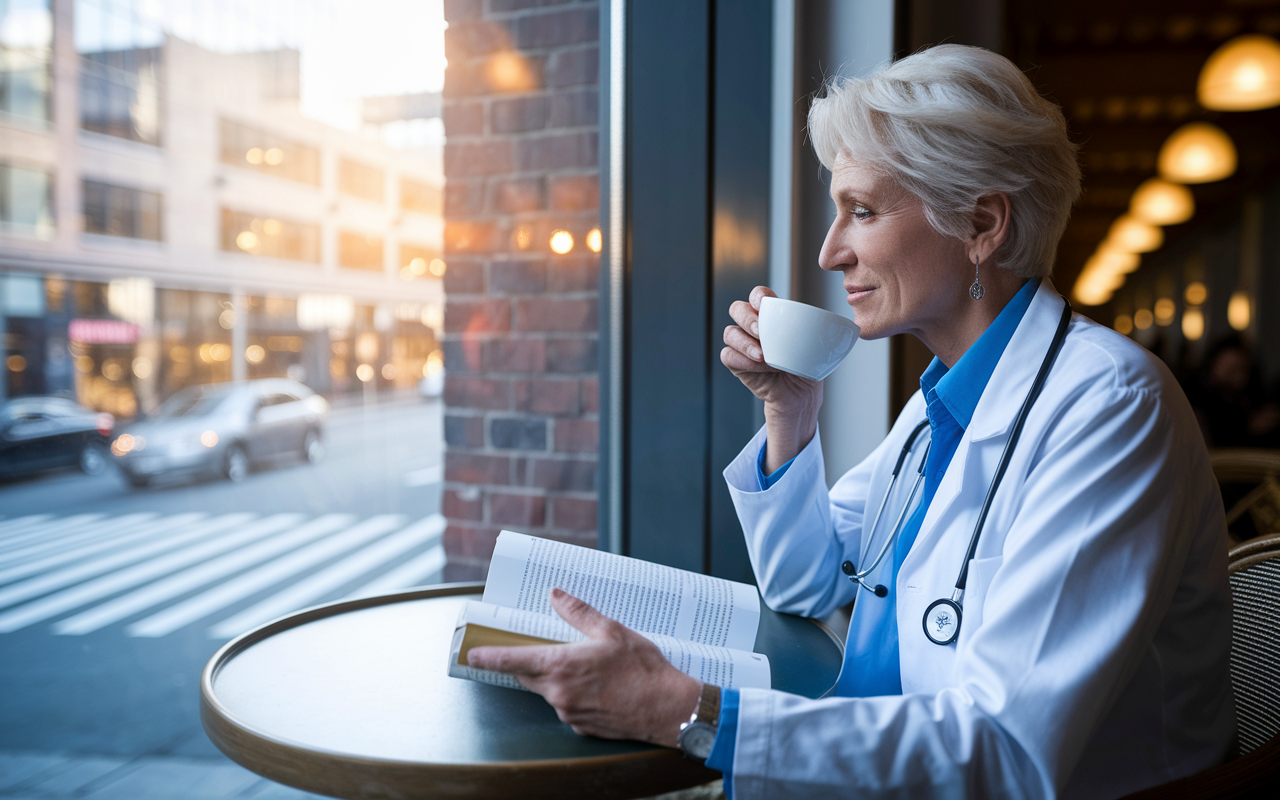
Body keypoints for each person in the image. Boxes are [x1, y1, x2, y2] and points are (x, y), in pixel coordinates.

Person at [466, 44, 1235, 799]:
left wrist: (685, 711)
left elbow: (1004, 756)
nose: (832, 252)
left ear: (982, 225)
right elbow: (805, 582)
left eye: (861, 212)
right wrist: (789, 411)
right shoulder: (941, 407)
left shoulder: (1109, 409)